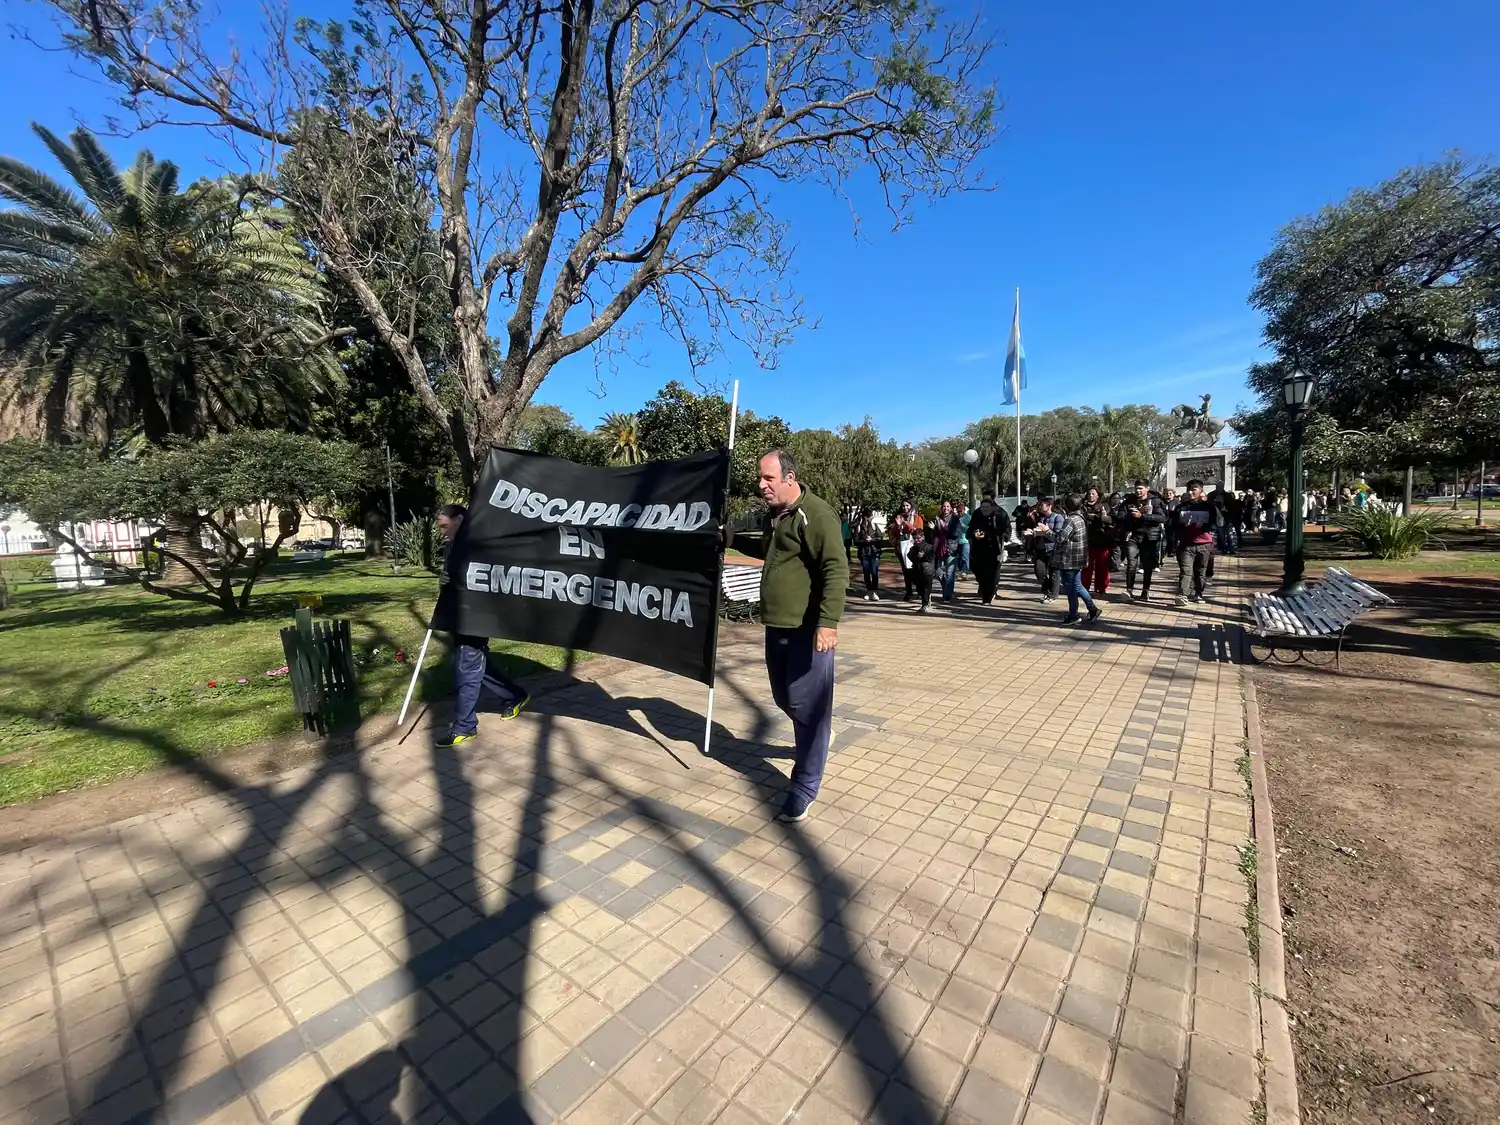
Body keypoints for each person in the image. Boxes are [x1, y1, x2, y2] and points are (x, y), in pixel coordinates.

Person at [724, 450, 845, 823]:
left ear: (790, 478)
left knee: (805, 706)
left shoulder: (817, 515)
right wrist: (731, 538)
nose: (761, 485)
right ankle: (819, 734)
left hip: (808, 629)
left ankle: (805, 786)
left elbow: (836, 568)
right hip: (776, 624)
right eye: (760, 478)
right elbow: (770, 550)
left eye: (768, 479)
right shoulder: (775, 517)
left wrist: (828, 622)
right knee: (785, 697)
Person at [435, 504, 529, 746]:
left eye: (445, 526)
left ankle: (465, 726)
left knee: (466, 665)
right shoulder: (451, 547)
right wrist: (444, 580)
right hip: (459, 614)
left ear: (460, 519)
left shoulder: (481, 543)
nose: (442, 532)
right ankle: (515, 695)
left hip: (480, 616)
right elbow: (453, 579)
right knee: (475, 663)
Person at [1116, 481, 1166, 602]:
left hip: (1149, 537)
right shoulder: (1129, 501)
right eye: (1136, 488)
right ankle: (1129, 590)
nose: (1138, 491)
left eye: (1141, 488)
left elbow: (1161, 518)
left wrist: (1142, 515)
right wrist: (1133, 515)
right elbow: (1120, 518)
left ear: (1147, 489)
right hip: (1133, 536)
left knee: (1147, 565)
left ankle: (1145, 591)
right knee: (1131, 564)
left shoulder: (1155, 501)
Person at [1055, 494, 1101, 625]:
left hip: (1070, 560)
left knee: (1071, 589)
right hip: (1078, 558)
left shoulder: (1071, 520)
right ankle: (1092, 609)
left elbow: (1060, 538)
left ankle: (1073, 615)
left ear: (1066, 506)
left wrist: (1046, 531)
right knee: (1078, 586)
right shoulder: (1081, 517)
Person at [1174, 480, 1219, 606]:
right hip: (1186, 544)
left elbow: (1216, 525)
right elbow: (1173, 526)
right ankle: (1183, 595)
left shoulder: (1209, 507)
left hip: (1204, 544)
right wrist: (1183, 526)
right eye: (1188, 489)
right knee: (1185, 570)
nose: (1190, 492)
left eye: (1193, 489)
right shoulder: (1181, 507)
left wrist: (1204, 526)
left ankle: (1198, 593)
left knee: (1200, 571)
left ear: (1201, 490)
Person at [967, 495, 1009, 605]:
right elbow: (970, 528)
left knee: (992, 575)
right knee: (979, 572)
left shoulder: (1000, 514)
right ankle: (984, 588)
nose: (984, 509)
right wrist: (974, 534)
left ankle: (987, 598)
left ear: (992, 507)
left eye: (987, 507)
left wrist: (1002, 538)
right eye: (982, 507)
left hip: (994, 549)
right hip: (978, 549)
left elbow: (1006, 531)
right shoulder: (976, 514)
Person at [1025, 496, 1065, 602]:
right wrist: (1032, 533)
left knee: (1054, 573)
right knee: (1039, 572)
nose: (1039, 507)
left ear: (1049, 506)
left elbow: (1057, 535)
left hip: (1053, 549)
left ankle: (1052, 595)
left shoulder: (1058, 517)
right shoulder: (1040, 518)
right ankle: (1047, 589)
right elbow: (1036, 530)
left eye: (1041, 505)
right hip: (1040, 548)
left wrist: (1042, 532)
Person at [1080, 487, 1115, 596]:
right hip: (1087, 540)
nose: (1091, 495)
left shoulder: (1105, 506)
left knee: (1102, 566)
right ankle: (1084, 587)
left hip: (1102, 540)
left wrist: (1101, 517)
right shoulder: (1082, 507)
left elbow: (1112, 520)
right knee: (1087, 566)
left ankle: (1101, 588)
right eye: (1089, 493)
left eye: (1093, 493)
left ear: (1098, 495)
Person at [890, 500, 923, 601]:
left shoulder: (917, 517)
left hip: (913, 547)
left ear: (911, 506)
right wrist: (897, 525)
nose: (905, 508)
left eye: (907, 505)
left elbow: (919, 531)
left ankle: (920, 591)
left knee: (915, 570)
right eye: (903, 506)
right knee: (905, 571)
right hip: (902, 547)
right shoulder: (900, 517)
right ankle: (909, 593)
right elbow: (894, 533)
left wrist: (906, 524)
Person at [852, 507, 883, 601]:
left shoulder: (874, 526)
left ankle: (874, 591)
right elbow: (855, 541)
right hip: (863, 553)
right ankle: (869, 591)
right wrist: (864, 541)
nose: (872, 518)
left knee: (874, 572)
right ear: (865, 517)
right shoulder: (858, 527)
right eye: (870, 516)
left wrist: (872, 540)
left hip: (874, 552)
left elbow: (880, 537)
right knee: (866, 572)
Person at [936, 499, 961, 603]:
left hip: (951, 549)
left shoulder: (955, 520)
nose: (945, 508)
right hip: (939, 549)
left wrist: (943, 528)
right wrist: (934, 528)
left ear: (951, 508)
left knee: (950, 574)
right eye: (944, 506)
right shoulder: (937, 519)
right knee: (938, 572)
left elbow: (955, 534)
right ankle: (947, 588)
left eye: (948, 506)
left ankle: (947, 596)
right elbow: (933, 535)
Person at [908, 524, 937, 613]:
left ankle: (925, 604)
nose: (917, 540)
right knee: (919, 589)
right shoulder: (913, 548)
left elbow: (931, 557)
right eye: (915, 538)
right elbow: (910, 556)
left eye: (918, 538)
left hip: (927, 570)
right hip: (917, 570)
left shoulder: (928, 546)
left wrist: (923, 556)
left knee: (926, 588)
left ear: (923, 537)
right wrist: (917, 557)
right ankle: (925, 601)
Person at [955, 501, 973, 576]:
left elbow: (970, 529)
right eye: (958, 511)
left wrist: (962, 525)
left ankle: (964, 572)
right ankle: (960, 571)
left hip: (965, 540)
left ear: (964, 509)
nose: (959, 513)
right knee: (957, 558)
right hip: (956, 540)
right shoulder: (955, 518)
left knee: (964, 556)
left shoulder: (968, 517)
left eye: (961, 510)